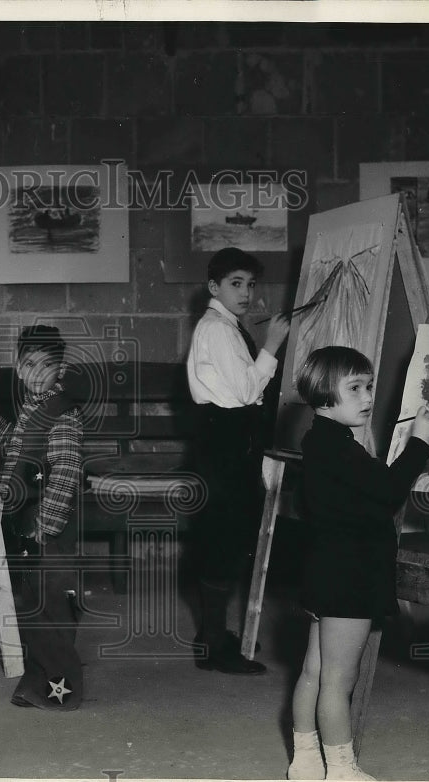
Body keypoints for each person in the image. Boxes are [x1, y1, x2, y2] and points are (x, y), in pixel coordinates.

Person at [287, 346, 429, 780]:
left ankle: (306, 760)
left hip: (323, 569)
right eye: (354, 388)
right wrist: (420, 442)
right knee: (338, 680)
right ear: (323, 396)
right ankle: (343, 772)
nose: (368, 397)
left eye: (369, 386)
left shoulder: (321, 441)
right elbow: (389, 490)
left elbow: (362, 491)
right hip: (349, 574)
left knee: (313, 672)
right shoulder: (339, 447)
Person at [186, 247, 290, 674]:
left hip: (229, 443)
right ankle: (213, 648)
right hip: (223, 446)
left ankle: (212, 633)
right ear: (214, 287)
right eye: (236, 284)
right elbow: (248, 391)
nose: (246, 292)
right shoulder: (218, 330)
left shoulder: (225, 326)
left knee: (225, 541)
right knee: (223, 544)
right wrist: (274, 345)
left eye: (250, 284)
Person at [0, 325, 84, 710]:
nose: (37, 373)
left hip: (48, 526)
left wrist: (45, 526)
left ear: (61, 370)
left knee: (49, 606)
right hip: (27, 523)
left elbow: (66, 469)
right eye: (30, 364)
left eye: (47, 365)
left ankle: (62, 691)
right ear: (19, 368)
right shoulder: (33, 409)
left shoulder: (61, 412)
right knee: (34, 603)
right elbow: (17, 445)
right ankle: (41, 674)